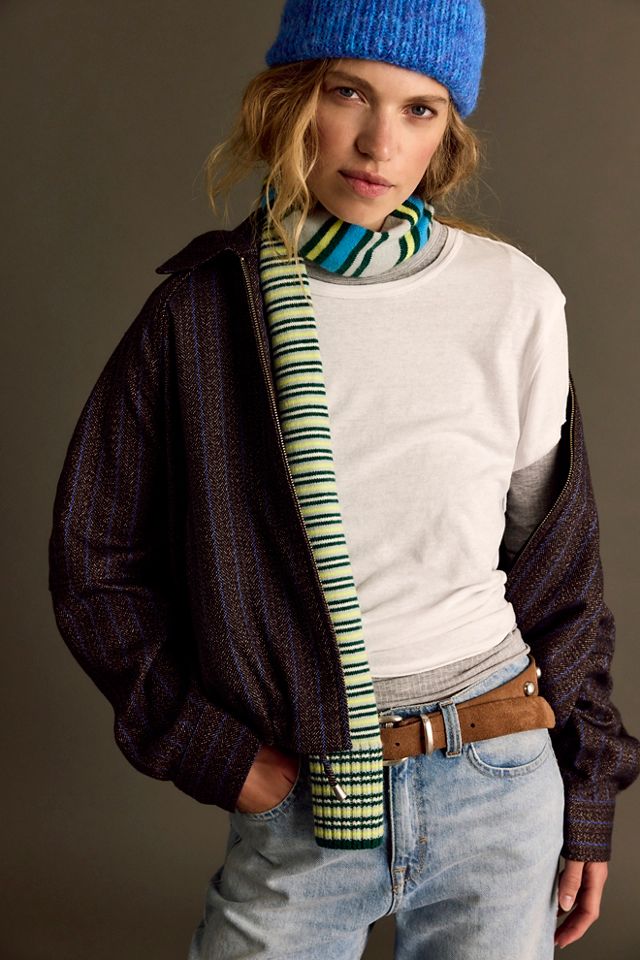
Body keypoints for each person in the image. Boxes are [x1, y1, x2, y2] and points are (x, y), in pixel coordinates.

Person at [47, 1, 640, 957]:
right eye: (349, 93)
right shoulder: (202, 316)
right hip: (305, 793)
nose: (379, 143)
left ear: (448, 136)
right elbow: (95, 559)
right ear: (291, 101)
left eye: (420, 109)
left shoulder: (514, 298)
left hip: (498, 774)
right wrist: (211, 749)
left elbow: (561, 579)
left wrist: (590, 792)